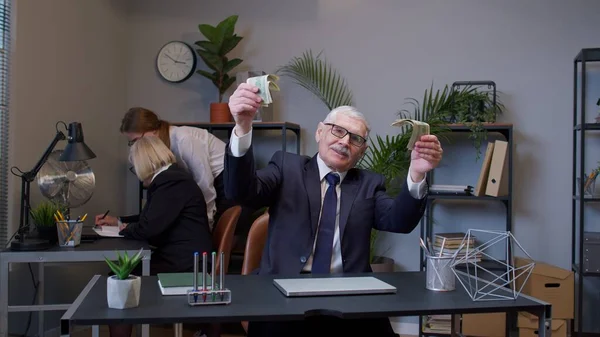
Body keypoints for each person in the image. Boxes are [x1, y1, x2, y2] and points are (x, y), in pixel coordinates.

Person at [224, 83, 443, 337]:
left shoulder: (368, 184)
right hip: (283, 294)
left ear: (363, 150)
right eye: (338, 131)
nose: (344, 142)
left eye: (355, 138)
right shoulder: (286, 167)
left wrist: (416, 173)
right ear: (319, 132)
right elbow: (241, 192)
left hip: (350, 297)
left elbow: (399, 222)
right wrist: (242, 127)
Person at [95, 136, 216, 337]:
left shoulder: (170, 182)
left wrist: (123, 228)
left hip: (185, 264)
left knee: (119, 280)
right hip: (186, 257)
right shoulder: (172, 178)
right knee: (122, 274)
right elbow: (151, 217)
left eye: (135, 168)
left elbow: (148, 228)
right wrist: (118, 221)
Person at [119, 107, 231, 230]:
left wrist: (207, 225)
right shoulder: (162, 145)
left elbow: (205, 185)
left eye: (137, 140)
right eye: (132, 143)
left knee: (219, 231)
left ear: (154, 131)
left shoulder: (183, 139)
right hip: (214, 182)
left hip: (226, 180)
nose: (137, 146)